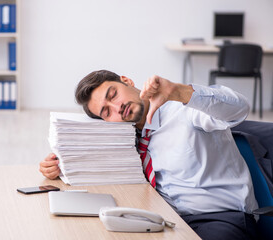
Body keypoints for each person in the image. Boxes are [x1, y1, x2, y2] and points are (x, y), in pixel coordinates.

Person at [39, 70, 258, 240]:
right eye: (107, 112)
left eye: (113, 94)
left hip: (222, 218)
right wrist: (59, 166)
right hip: (166, 219)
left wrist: (180, 92)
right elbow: (90, 161)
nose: (117, 107)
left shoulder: (183, 110)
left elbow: (239, 108)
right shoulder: (127, 137)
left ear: (127, 80)